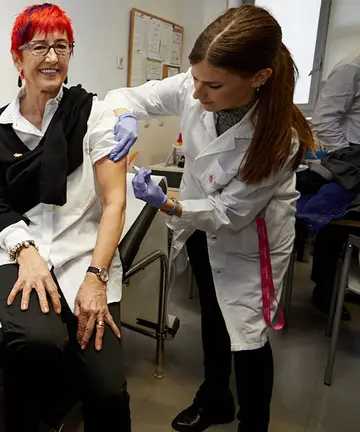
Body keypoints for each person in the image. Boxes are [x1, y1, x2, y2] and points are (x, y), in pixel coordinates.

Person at [105, 5, 316, 432]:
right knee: (214, 316)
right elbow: (128, 96)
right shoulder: (195, 83)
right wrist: (125, 115)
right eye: (196, 79)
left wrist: (167, 204)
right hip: (202, 226)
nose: (198, 94)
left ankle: (252, 423)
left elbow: (228, 214)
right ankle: (215, 396)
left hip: (249, 243)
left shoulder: (280, 140)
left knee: (248, 334)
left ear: (259, 77)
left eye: (213, 85)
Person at [0, 4, 137, 431]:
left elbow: (114, 202)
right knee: (36, 341)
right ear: (17, 58)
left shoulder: (94, 115)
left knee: (106, 388)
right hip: (19, 250)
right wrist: (24, 250)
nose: (52, 57)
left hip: (86, 254)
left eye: (61, 46)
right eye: (39, 46)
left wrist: (96, 277)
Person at [307, 51, 360, 318]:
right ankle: (325, 291)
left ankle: (343, 288)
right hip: (352, 156)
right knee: (336, 225)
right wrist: (346, 156)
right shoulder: (352, 67)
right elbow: (324, 118)